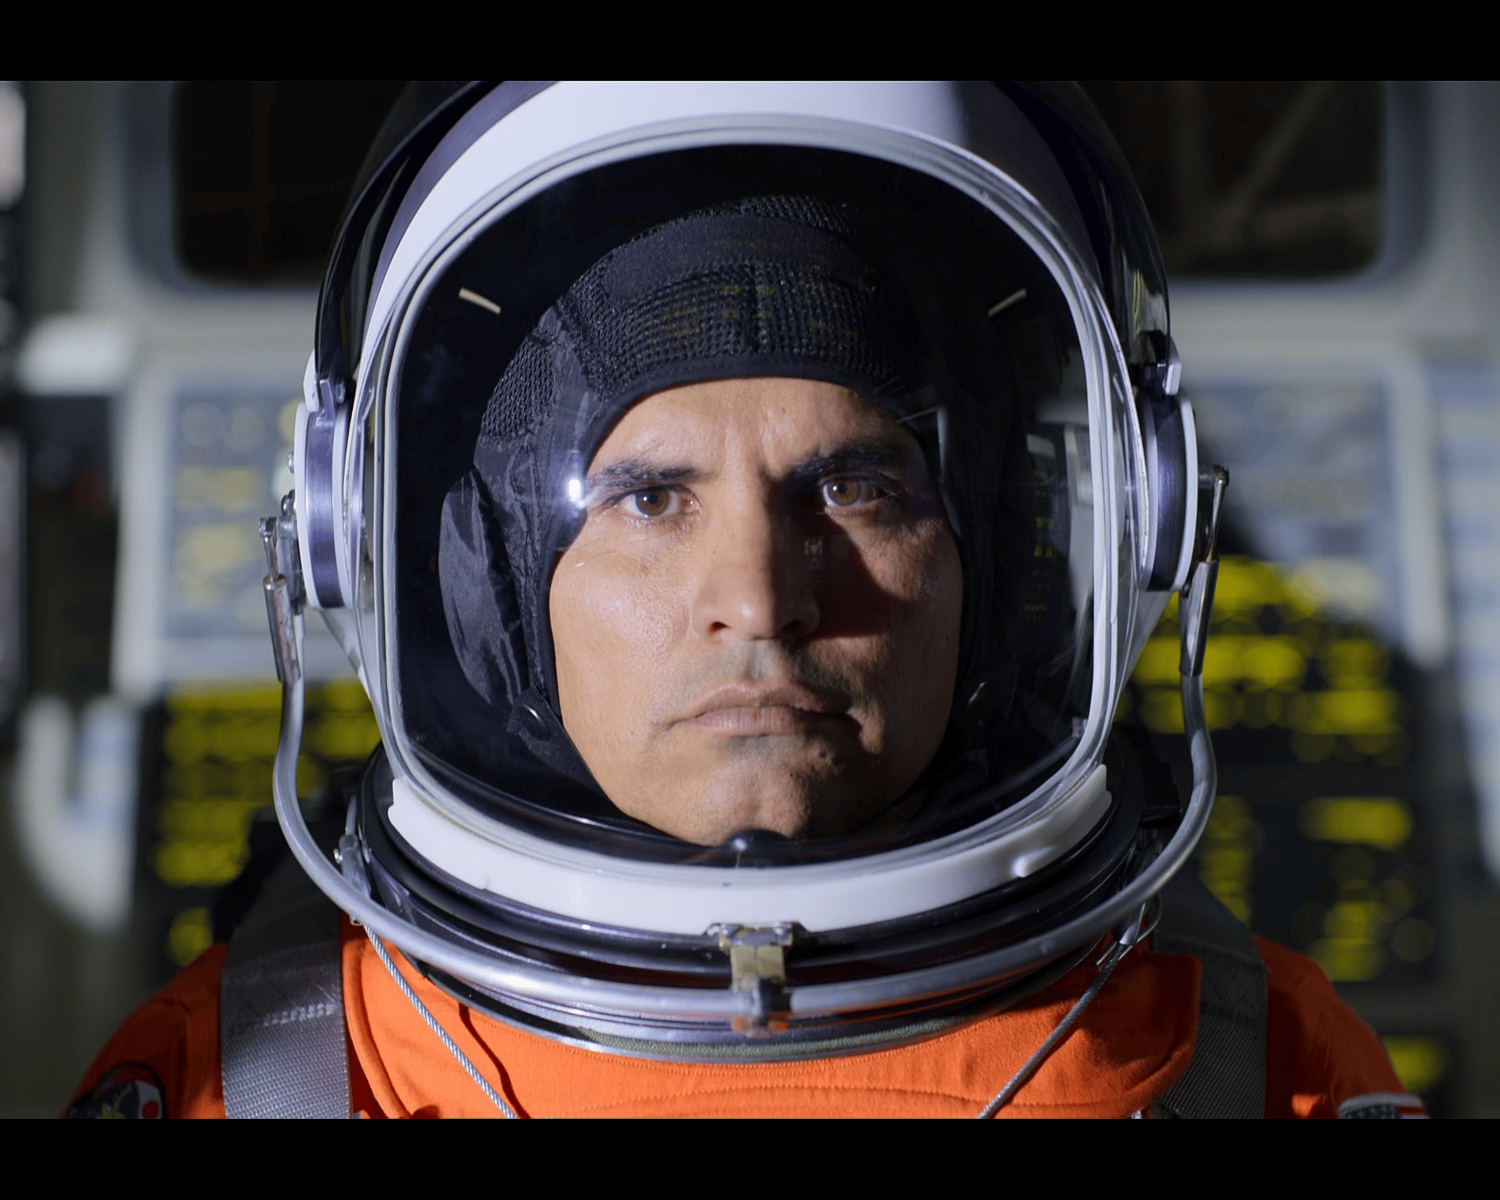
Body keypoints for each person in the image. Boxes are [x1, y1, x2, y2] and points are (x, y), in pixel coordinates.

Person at [68, 82, 1421, 1118]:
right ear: (479, 586)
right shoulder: (255, 1081)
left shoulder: (1259, 1074)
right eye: (650, 499)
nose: (762, 602)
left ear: (998, 558)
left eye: (854, 489)